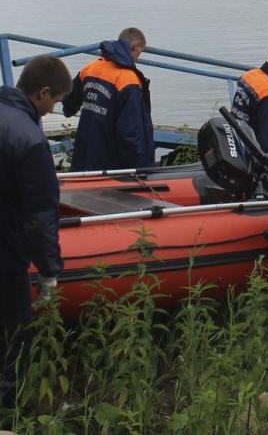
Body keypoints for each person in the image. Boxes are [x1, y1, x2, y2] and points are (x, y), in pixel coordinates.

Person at [0, 56, 70, 408]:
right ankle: (13, 411)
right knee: (14, 336)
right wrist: (49, 271)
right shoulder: (28, 138)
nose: (52, 108)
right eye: (55, 101)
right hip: (6, 255)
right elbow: (40, 216)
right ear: (43, 93)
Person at [62, 27, 153, 171]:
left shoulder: (89, 68)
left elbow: (68, 103)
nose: (138, 58)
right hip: (109, 164)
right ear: (134, 48)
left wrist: (69, 109)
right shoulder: (128, 80)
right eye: (139, 53)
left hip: (84, 155)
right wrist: (140, 169)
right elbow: (130, 133)